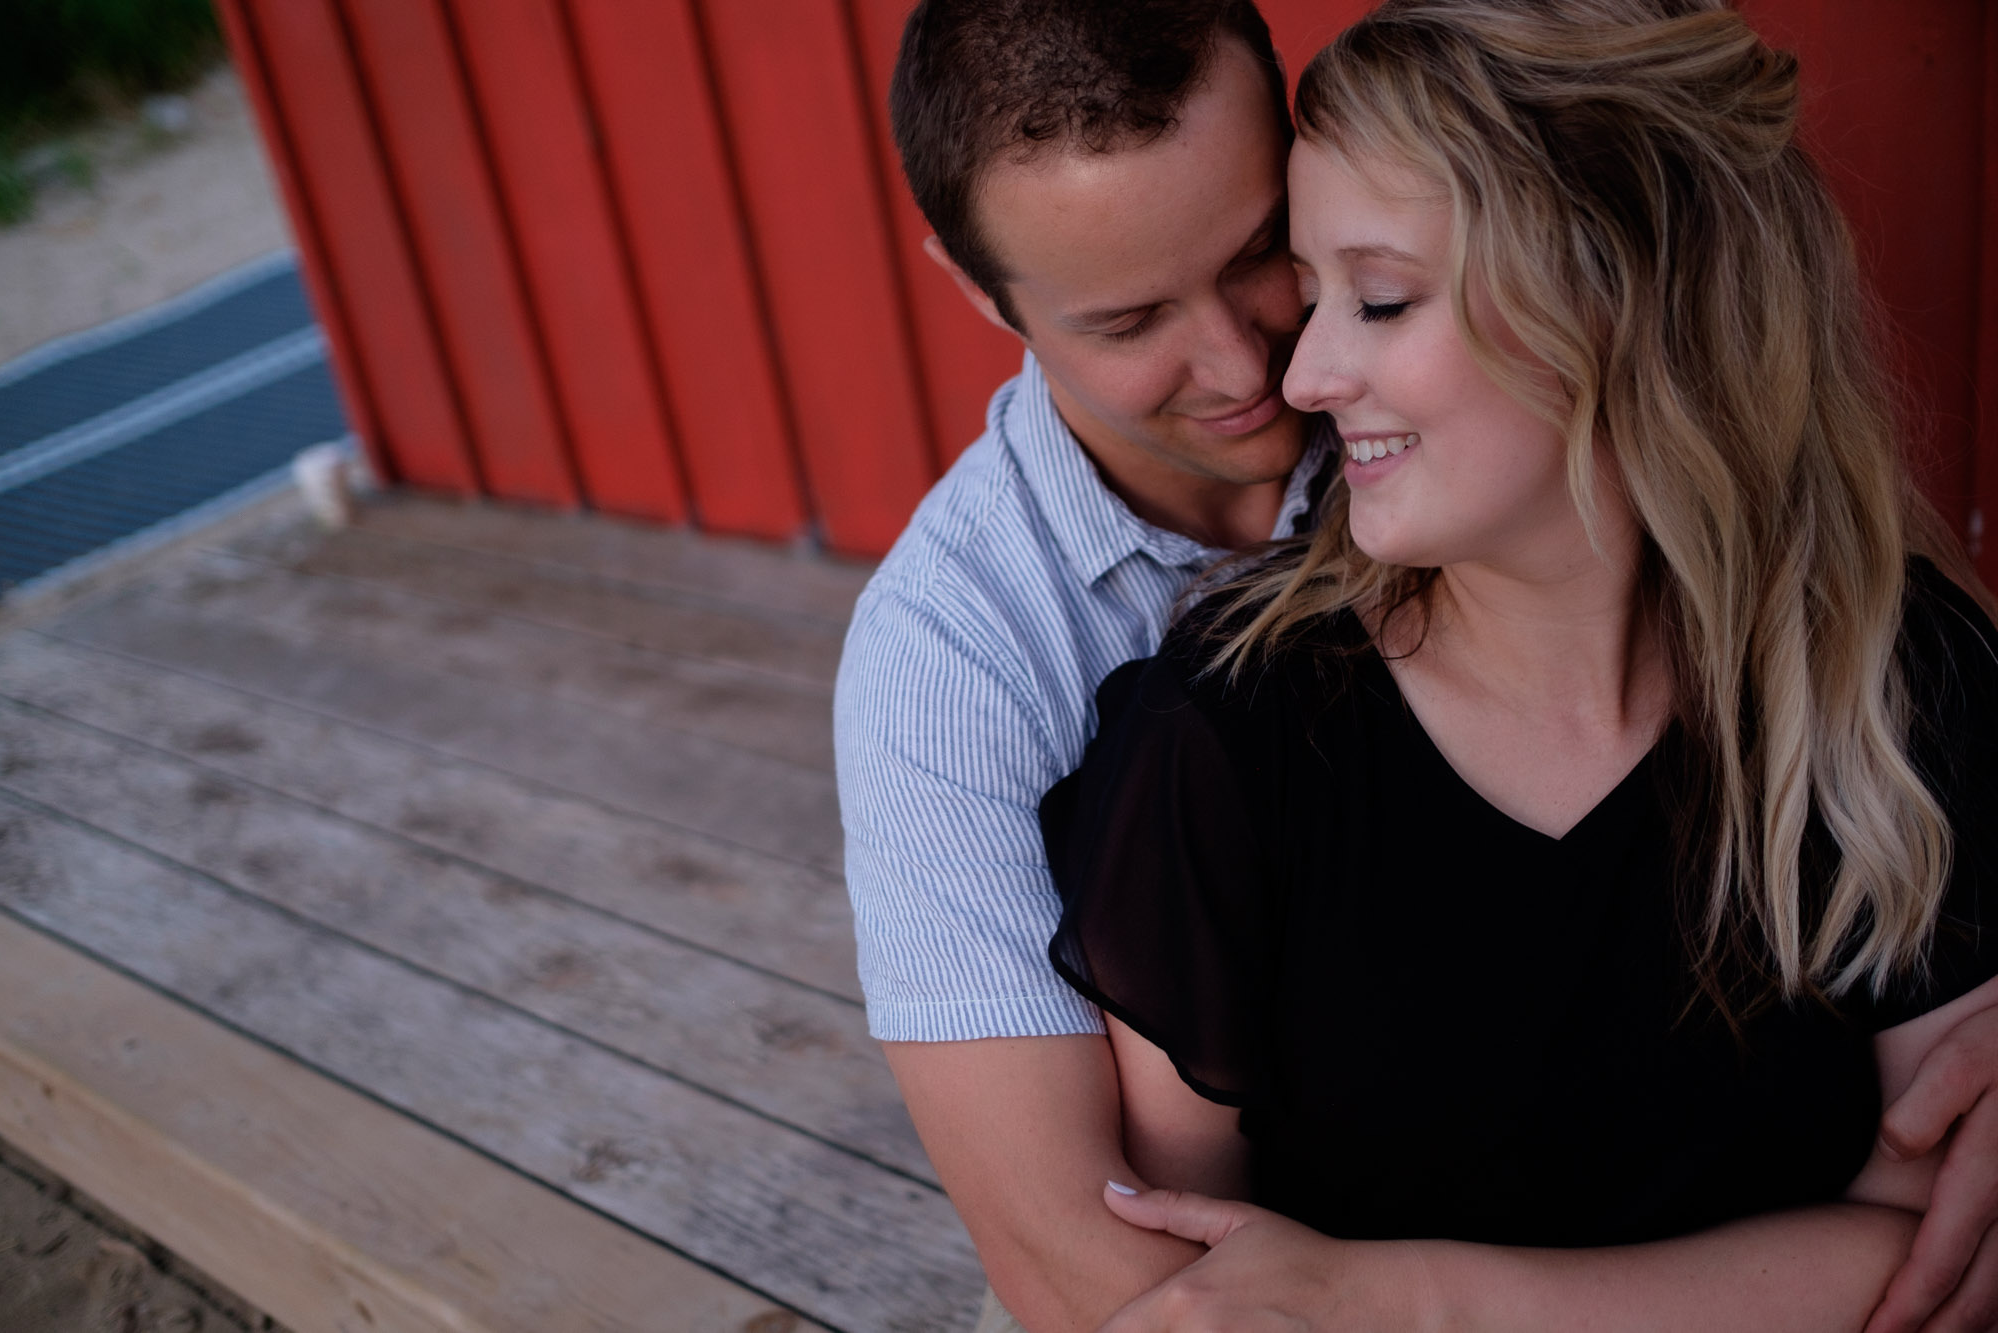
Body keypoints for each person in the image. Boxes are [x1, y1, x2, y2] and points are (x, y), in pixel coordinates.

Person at [836, 2, 1998, 1330]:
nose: (1266, 368)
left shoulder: (1847, 643)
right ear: (985, 294)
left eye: (1267, 254)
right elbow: (1108, 1277)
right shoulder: (960, 663)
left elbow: (1937, 1242)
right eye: (1131, 317)